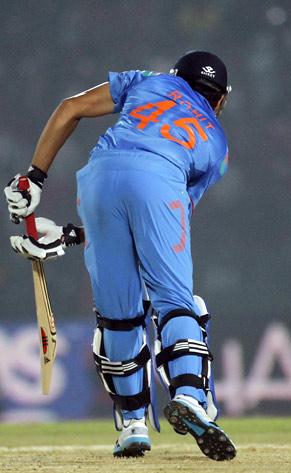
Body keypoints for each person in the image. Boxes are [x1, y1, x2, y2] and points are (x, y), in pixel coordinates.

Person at [5, 51, 236, 461]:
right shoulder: (216, 143)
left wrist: (35, 181)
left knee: (118, 314)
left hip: (99, 175)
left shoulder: (149, 81)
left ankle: (133, 426)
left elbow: (70, 108)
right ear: (220, 100)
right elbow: (162, 211)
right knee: (176, 303)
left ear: (176, 76)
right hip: (161, 179)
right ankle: (189, 396)